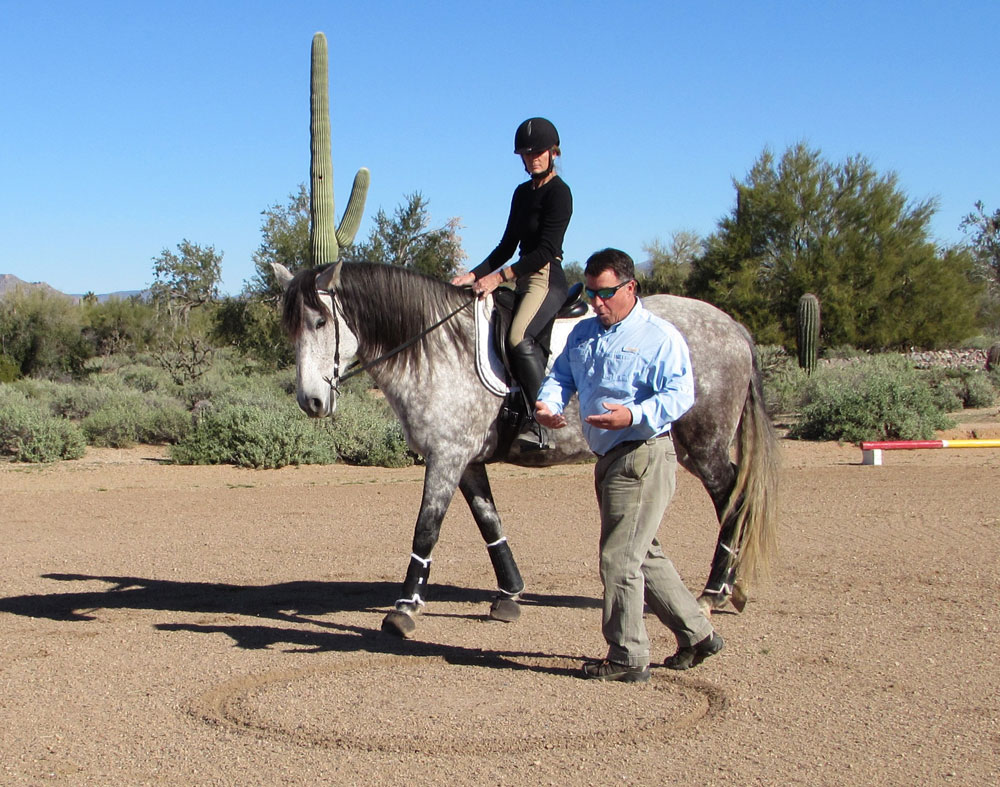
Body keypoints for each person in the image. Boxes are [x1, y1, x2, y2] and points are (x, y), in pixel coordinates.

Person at [535, 248, 723, 682]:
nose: (596, 302)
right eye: (589, 293)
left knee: (619, 558)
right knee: (644, 554)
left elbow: (681, 393)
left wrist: (633, 416)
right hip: (609, 459)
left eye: (604, 293)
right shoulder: (583, 334)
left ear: (630, 287)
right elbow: (560, 374)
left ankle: (627, 656)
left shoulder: (660, 336)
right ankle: (697, 634)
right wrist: (548, 403)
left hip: (644, 454)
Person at [451, 117, 572, 446]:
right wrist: (473, 275)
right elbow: (506, 245)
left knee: (518, 337)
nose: (533, 159)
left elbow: (545, 249)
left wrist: (498, 278)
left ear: (553, 153)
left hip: (545, 278)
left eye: (539, 153)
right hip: (521, 278)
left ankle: (539, 423)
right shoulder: (521, 194)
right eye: (527, 154)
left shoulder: (560, 194)